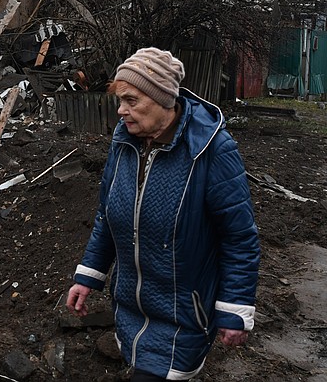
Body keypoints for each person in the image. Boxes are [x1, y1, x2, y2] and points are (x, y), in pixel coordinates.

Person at [65, 47, 260, 381]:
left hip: (184, 314)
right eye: (120, 100)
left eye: (131, 101)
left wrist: (234, 310)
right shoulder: (124, 143)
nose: (121, 111)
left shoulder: (210, 149)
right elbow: (107, 215)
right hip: (131, 308)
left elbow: (239, 237)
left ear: (163, 100)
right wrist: (89, 276)